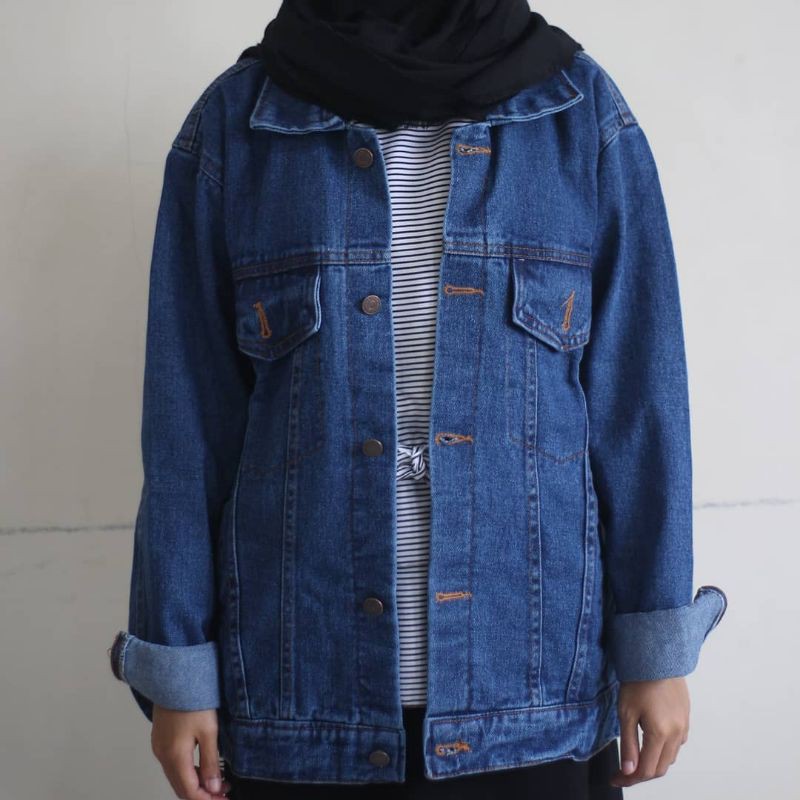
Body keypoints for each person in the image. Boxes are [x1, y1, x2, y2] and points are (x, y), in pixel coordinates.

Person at [108, 2, 728, 798]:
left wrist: (656, 650)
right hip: (300, 698)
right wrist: (179, 667)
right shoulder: (240, 125)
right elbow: (185, 426)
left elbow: (640, 407)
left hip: (532, 697)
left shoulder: (577, 116)